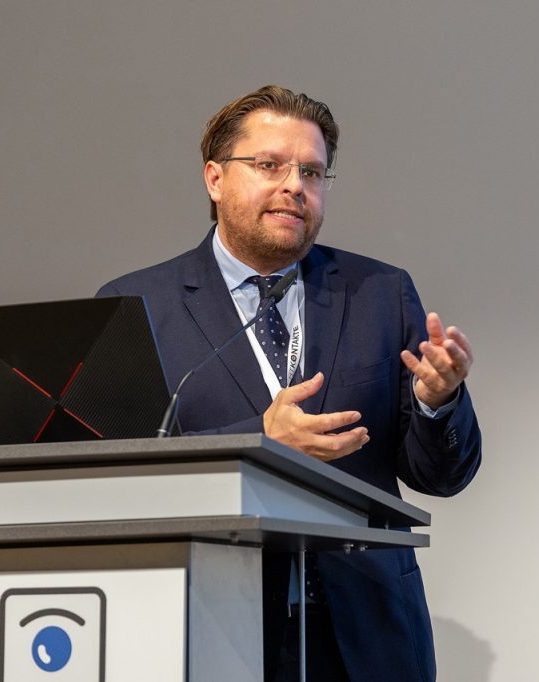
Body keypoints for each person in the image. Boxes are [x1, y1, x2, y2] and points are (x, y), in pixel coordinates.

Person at [98, 85, 482, 682]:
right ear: (215, 179)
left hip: (366, 637)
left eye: (312, 172)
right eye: (269, 165)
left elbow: (441, 476)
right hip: (213, 626)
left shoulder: (379, 293)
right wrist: (260, 441)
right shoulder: (136, 305)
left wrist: (438, 403)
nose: (294, 186)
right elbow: (118, 477)